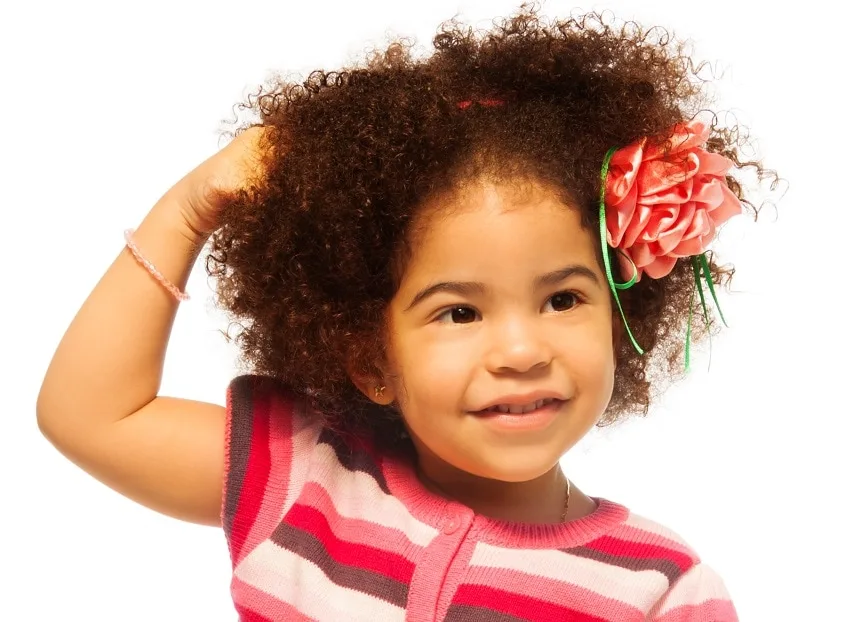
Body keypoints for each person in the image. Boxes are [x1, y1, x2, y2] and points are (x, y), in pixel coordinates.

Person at [37, 6, 772, 620]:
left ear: (618, 318)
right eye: (457, 313)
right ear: (370, 357)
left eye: (562, 299)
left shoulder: (659, 590)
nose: (520, 349)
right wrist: (191, 208)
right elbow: (90, 416)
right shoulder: (302, 478)